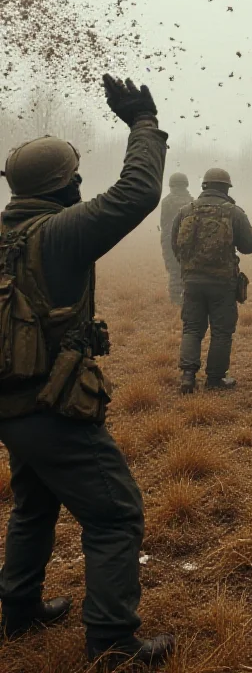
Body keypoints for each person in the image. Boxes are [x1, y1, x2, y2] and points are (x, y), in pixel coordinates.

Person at [0, 76, 174, 669]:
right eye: (76, 177)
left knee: (34, 504)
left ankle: (18, 613)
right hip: (52, 407)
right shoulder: (62, 234)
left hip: (10, 406)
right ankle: (113, 643)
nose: (80, 184)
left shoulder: (6, 236)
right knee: (114, 512)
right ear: (66, 184)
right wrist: (143, 124)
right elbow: (136, 193)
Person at [172, 168, 252, 393]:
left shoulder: (185, 211)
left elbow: (175, 246)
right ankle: (215, 379)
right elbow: (250, 246)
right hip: (222, 283)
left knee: (192, 328)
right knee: (221, 331)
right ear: (226, 188)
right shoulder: (234, 213)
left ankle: (187, 377)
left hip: (192, 281)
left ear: (204, 186)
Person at [159, 172, 193, 305]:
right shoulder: (192, 201)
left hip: (170, 240)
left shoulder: (167, 201)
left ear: (171, 185)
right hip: (189, 241)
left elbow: (164, 223)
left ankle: (175, 302)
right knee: (189, 270)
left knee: (174, 270)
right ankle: (187, 298)